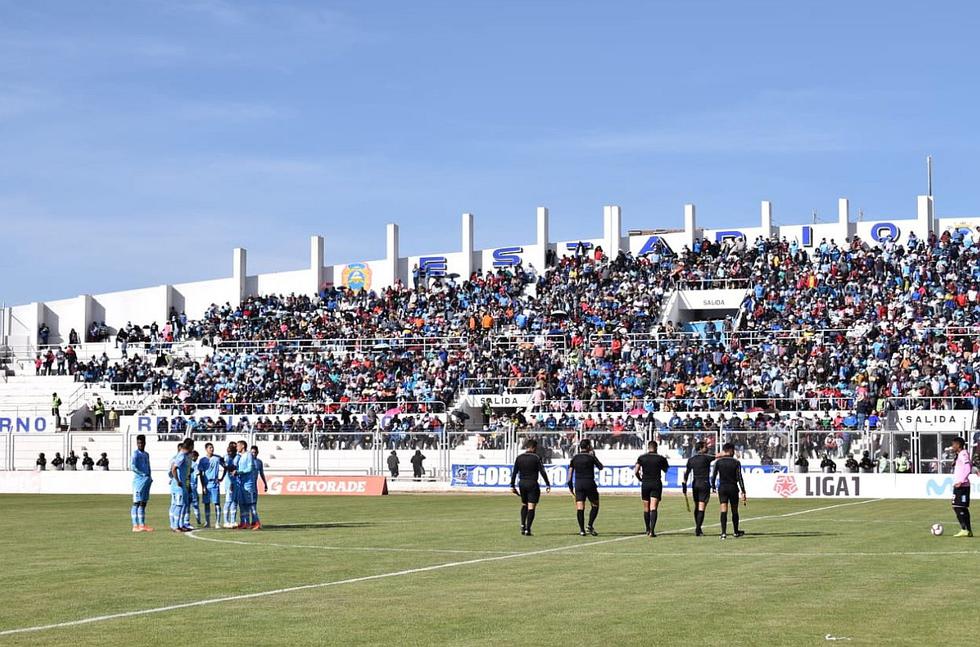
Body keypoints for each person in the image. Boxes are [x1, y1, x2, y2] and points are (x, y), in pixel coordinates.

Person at [509, 438, 551, 536]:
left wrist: (512, 485)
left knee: (524, 504)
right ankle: (528, 529)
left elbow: (514, 472)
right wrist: (547, 483)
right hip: (532, 483)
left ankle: (523, 525)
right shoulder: (536, 457)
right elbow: (542, 471)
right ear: (533, 447)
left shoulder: (519, 457)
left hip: (522, 483)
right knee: (531, 506)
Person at [567, 438, 603, 536]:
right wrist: (594, 456)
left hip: (578, 484)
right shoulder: (591, 457)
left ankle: (582, 530)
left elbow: (569, 475)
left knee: (580, 507)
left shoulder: (574, 458)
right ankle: (590, 525)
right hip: (589, 483)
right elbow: (600, 467)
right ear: (588, 447)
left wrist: (570, 487)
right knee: (595, 505)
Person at [712, 442, 747, 539]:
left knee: (723, 510)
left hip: (722, 487)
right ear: (731, 451)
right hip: (732, 487)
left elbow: (713, 475)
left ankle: (723, 533)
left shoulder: (718, 462)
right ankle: (735, 532)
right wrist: (743, 490)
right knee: (734, 510)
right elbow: (739, 477)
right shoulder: (736, 462)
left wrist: (713, 486)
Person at [634, 440, 669, 537]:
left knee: (646, 507)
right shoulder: (660, 458)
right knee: (653, 507)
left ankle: (647, 529)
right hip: (656, 483)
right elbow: (665, 470)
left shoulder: (641, 457)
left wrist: (640, 479)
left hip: (645, 483)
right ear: (656, 447)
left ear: (648, 447)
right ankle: (652, 531)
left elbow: (636, 470)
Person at [682, 442, 714, 536]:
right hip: (704, 484)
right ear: (701, 448)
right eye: (705, 446)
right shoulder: (707, 457)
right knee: (701, 507)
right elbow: (718, 456)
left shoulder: (691, 460)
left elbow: (686, 474)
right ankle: (698, 528)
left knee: (697, 506)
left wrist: (684, 485)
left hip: (695, 484)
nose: (707, 447)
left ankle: (698, 528)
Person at [950, 437, 974, 538]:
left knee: (958, 507)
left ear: (958, 445)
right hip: (960, 485)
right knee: (960, 507)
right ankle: (968, 530)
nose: (952, 446)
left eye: (954, 444)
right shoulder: (960, 454)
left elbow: (968, 467)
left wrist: (962, 481)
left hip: (962, 485)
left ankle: (965, 529)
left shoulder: (963, 453)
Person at [168, 438, 194, 532]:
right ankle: (175, 526)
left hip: (182, 484)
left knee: (180, 504)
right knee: (178, 505)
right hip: (178, 485)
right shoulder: (181, 456)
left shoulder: (184, 456)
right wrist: (177, 480)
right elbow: (174, 468)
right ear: (190, 446)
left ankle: (179, 524)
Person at [130, 434, 153, 532]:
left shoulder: (146, 454)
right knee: (136, 503)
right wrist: (142, 474)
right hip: (138, 482)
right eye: (138, 443)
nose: (140, 445)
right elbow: (133, 467)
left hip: (146, 481)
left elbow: (148, 466)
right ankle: (135, 525)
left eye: (142, 443)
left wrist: (149, 477)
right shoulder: (135, 454)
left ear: (145, 443)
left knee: (143, 503)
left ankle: (142, 525)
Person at [236, 440, 260, 530]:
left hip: (248, 484)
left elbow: (250, 468)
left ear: (243, 446)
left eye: (238, 446)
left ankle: (256, 522)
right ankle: (244, 522)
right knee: (242, 504)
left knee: (251, 504)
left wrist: (239, 472)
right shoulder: (241, 457)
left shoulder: (248, 455)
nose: (237, 447)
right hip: (241, 484)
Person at [198, 442, 223, 528]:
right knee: (207, 504)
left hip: (215, 484)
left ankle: (217, 523)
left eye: (212, 447)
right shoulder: (202, 460)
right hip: (207, 484)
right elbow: (201, 474)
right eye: (210, 448)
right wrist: (203, 486)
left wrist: (221, 478)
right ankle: (207, 522)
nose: (212, 449)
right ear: (206, 449)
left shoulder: (217, 458)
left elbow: (226, 466)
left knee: (217, 503)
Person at [221, 441, 240, 528]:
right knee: (228, 501)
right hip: (229, 481)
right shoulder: (227, 458)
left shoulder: (238, 457)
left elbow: (234, 468)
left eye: (230, 451)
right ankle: (225, 521)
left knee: (235, 501)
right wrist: (222, 477)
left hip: (237, 482)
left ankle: (233, 521)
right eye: (228, 451)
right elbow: (227, 468)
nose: (229, 453)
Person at [250, 445, 268, 526]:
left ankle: (254, 521)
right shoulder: (247, 461)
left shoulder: (259, 462)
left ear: (257, 453)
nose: (253, 454)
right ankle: (256, 521)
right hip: (247, 486)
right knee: (250, 504)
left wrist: (265, 483)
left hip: (254, 486)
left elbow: (261, 473)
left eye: (255, 452)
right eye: (252, 452)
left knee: (254, 504)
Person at [184, 450, 201, 527]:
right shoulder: (195, 464)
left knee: (187, 504)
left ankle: (186, 521)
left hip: (186, 486)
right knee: (195, 504)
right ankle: (198, 520)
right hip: (192, 486)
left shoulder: (186, 464)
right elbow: (197, 473)